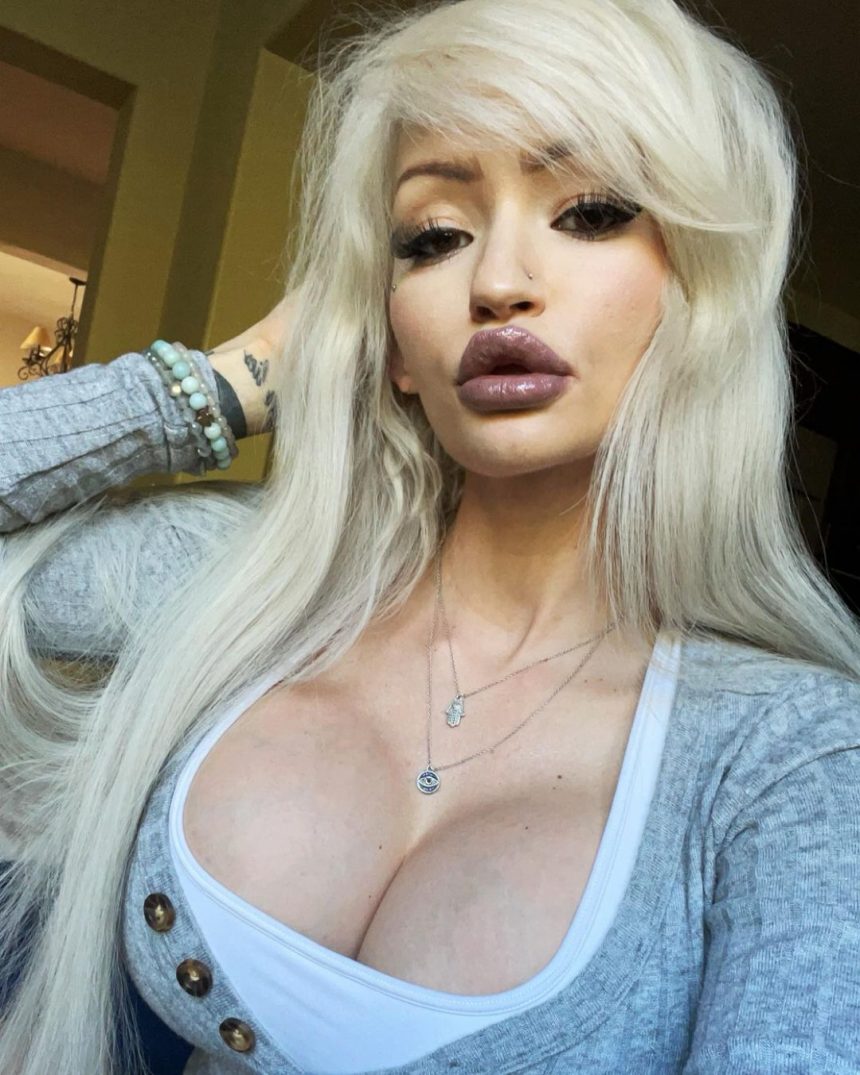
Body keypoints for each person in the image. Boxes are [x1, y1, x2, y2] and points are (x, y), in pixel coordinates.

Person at [1, 0, 859, 1072]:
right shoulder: (237, 587)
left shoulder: (792, 758)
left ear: (696, 296)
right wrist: (224, 383)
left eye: (590, 212)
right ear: (394, 338)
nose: (496, 282)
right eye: (435, 237)